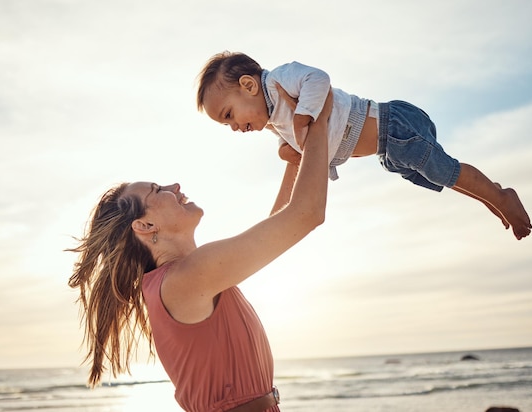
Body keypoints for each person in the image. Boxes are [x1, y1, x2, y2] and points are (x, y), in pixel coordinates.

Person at [67, 89, 333, 411]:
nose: (174, 187)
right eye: (157, 191)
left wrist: (297, 159)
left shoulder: (186, 277)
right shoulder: (186, 278)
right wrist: (318, 121)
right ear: (146, 227)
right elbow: (305, 214)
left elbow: (279, 225)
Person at [196, 51, 532, 240]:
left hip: (393, 125)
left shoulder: (279, 79)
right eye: (226, 125)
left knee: (444, 170)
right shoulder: (275, 120)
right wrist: (289, 148)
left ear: (248, 85)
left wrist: (304, 116)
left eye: (229, 115)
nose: (234, 127)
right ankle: (491, 197)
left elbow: (319, 79)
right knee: (439, 177)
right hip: (388, 149)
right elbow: (302, 155)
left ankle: (500, 197)